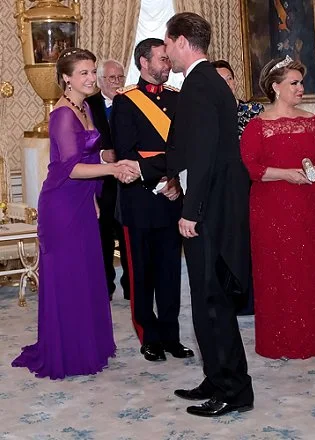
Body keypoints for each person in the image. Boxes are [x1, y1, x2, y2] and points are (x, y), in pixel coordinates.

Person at [11, 48, 138, 379]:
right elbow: (71, 169)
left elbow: (90, 159)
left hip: (81, 202)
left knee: (87, 276)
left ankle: (87, 345)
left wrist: (95, 197)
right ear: (66, 78)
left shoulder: (84, 108)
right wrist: (113, 169)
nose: (91, 77)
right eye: (83, 72)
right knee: (69, 279)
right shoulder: (63, 115)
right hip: (62, 205)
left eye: (92, 71)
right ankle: (68, 352)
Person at [156, 12, 254, 417]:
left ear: (181, 42)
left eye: (166, 44)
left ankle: (234, 391)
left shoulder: (198, 84)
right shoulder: (207, 81)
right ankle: (215, 377)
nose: (164, 52)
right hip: (214, 205)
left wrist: (190, 210)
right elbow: (187, 150)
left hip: (208, 212)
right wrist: (158, 172)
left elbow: (204, 157)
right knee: (204, 299)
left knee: (212, 302)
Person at [240, 56, 315, 360]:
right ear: (276, 87)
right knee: (274, 271)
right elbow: (252, 168)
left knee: (305, 270)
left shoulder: (311, 121)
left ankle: (306, 340)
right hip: (270, 209)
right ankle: (275, 341)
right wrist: (286, 174)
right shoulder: (257, 126)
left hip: (306, 207)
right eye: (294, 83)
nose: (301, 88)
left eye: (301, 82)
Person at [111, 38, 194, 363]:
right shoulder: (126, 102)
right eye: (161, 58)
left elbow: (182, 149)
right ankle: (149, 336)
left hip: (172, 200)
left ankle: (171, 336)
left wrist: (174, 180)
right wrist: (161, 176)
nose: (167, 62)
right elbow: (127, 153)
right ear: (144, 63)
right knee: (141, 274)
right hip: (139, 202)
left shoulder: (177, 99)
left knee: (171, 273)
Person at [212, 59, 264, 316]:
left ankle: (251, 298)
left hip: (253, 187)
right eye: (219, 80)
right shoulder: (205, 116)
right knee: (225, 243)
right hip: (219, 190)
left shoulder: (254, 111)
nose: (226, 84)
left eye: (229, 78)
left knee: (252, 242)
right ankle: (227, 297)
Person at [86, 59, 130, 301]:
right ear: (100, 80)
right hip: (101, 182)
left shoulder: (132, 100)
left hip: (128, 179)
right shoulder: (87, 105)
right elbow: (81, 144)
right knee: (102, 238)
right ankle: (105, 288)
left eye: (119, 77)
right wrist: (103, 155)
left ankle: (131, 287)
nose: (116, 82)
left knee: (128, 238)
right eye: (111, 78)